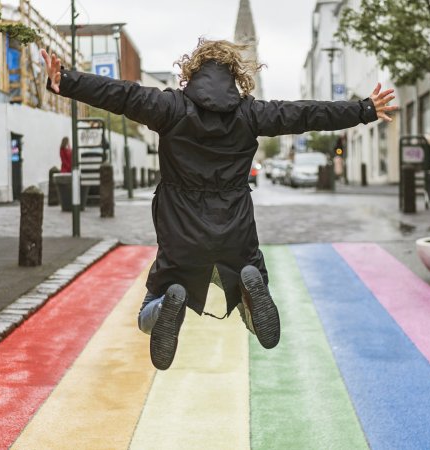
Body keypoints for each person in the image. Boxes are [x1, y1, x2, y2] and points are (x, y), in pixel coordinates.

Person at [42, 40, 396, 370]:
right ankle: (251, 299)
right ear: (235, 76)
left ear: (191, 73)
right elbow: (304, 114)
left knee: (149, 307)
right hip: (235, 231)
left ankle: (166, 304)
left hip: (181, 234)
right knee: (251, 296)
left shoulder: (170, 107)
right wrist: (363, 109)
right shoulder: (251, 114)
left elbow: (121, 95)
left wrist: (67, 80)